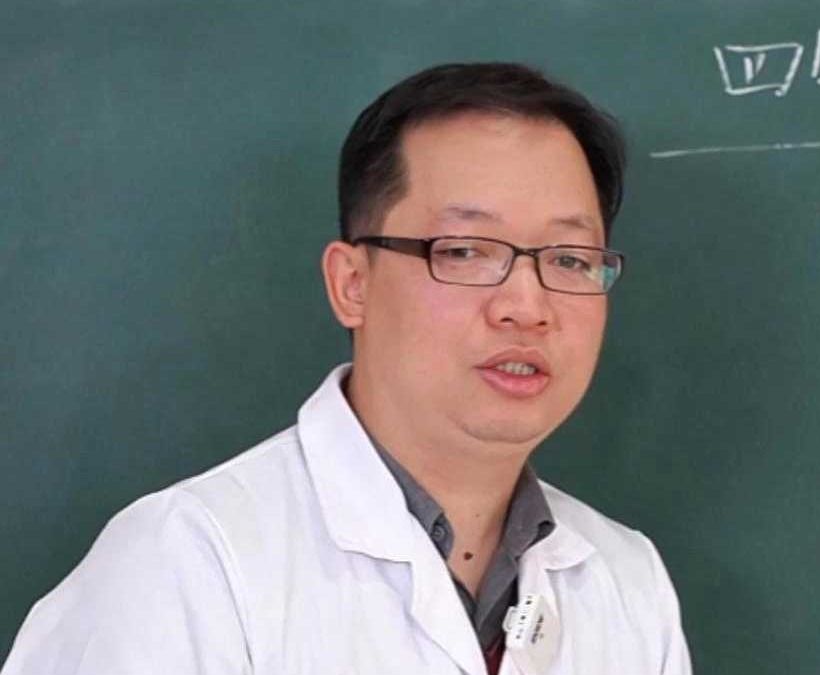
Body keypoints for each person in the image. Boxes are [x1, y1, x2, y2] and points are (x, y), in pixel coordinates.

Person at [2, 62, 691, 675]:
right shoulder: (185, 563)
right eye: (465, 251)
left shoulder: (627, 583)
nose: (526, 306)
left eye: (569, 260)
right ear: (351, 284)